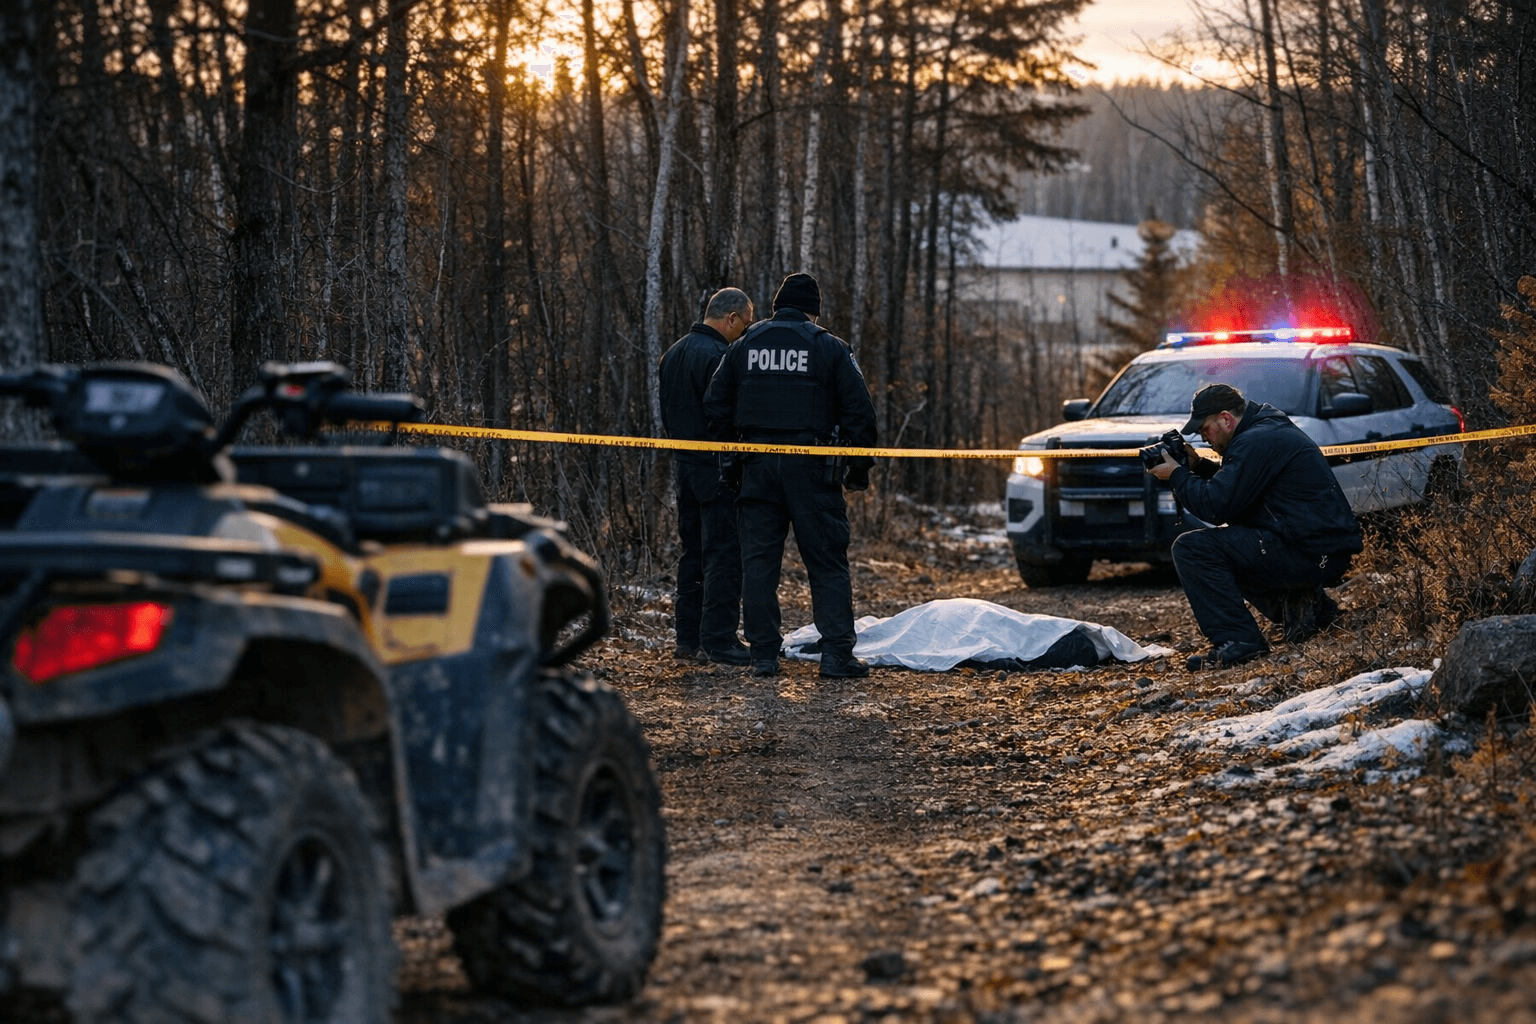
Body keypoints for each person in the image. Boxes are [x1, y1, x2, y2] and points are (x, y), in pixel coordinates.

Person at [702, 272, 878, 679]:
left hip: (756, 466)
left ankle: (763, 655)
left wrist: (732, 453)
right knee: (826, 561)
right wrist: (859, 468)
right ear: (813, 311)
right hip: (813, 470)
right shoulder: (829, 347)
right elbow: (860, 413)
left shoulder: (745, 344)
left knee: (759, 564)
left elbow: (715, 404)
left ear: (777, 306)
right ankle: (836, 655)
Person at [1147, 382, 1362, 671]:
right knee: (1234, 543)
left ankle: (1238, 640)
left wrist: (1177, 475)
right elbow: (1240, 491)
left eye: (1204, 429)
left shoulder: (1255, 441)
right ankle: (1308, 610)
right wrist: (1197, 467)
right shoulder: (1264, 430)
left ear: (1225, 419)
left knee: (1193, 549)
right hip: (1317, 549)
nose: (1204, 438)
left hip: (1309, 552)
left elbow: (1216, 507)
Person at [659, 287, 756, 665]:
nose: (746, 332)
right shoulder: (720, 356)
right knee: (724, 554)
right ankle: (718, 639)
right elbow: (725, 413)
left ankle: (687, 637)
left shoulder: (673, 353)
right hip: (716, 467)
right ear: (731, 318)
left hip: (684, 468)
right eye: (745, 324)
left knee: (693, 554)